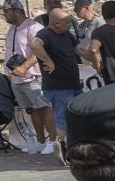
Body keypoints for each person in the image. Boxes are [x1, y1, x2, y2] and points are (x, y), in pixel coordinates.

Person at [0, 0, 55, 155]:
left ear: (16, 11)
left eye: (6, 12)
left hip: (32, 75)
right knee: (31, 110)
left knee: (44, 109)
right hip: (17, 78)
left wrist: (24, 67)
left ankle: (53, 140)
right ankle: (40, 141)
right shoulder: (12, 29)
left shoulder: (34, 28)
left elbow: (39, 51)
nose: (4, 15)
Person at [34, 8, 86, 143]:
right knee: (62, 118)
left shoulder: (67, 35)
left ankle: (75, 143)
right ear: (56, 23)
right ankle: (61, 148)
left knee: (78, 114)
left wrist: (96, 60)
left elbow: (79, 50)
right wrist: (48, 61)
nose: (70, 25)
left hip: (73, 84)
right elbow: (34, 44)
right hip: (58, 86)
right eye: (67, 22)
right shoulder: (45, 34)